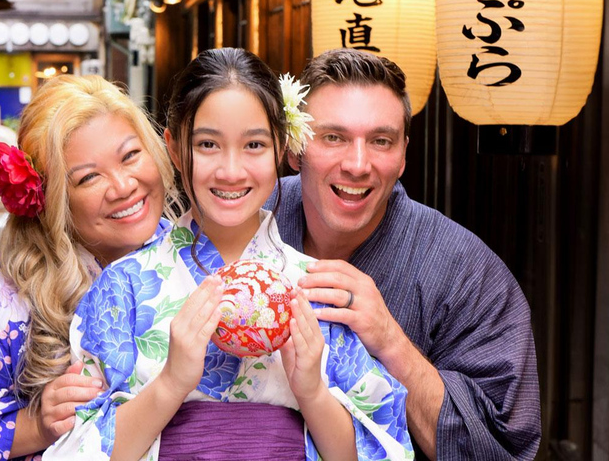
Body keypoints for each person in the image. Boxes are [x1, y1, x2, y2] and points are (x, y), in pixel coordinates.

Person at [44, 48, 414, 461]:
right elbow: (74, 448)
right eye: (207, 144)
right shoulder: (124, 285)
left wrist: (310, 391)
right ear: (174, 146)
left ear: (282, 146)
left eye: (254, 144)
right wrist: (170, 383)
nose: (231, 171)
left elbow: (385, 446)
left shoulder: (317, 288)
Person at [266, 48, 542, 459]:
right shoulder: (251, 221)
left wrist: (389, 340)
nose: (358, 164)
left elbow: (501, 449)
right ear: (293, 149)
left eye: (381, 141)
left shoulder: (467, 272)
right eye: (333, 137)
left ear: (404, 155)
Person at [0, 75, 180, 460]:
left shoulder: (187, 248)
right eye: (88, 177)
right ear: (52, 198)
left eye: (130, 155)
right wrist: (36, 425)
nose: (123, 185)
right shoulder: (4, 300)